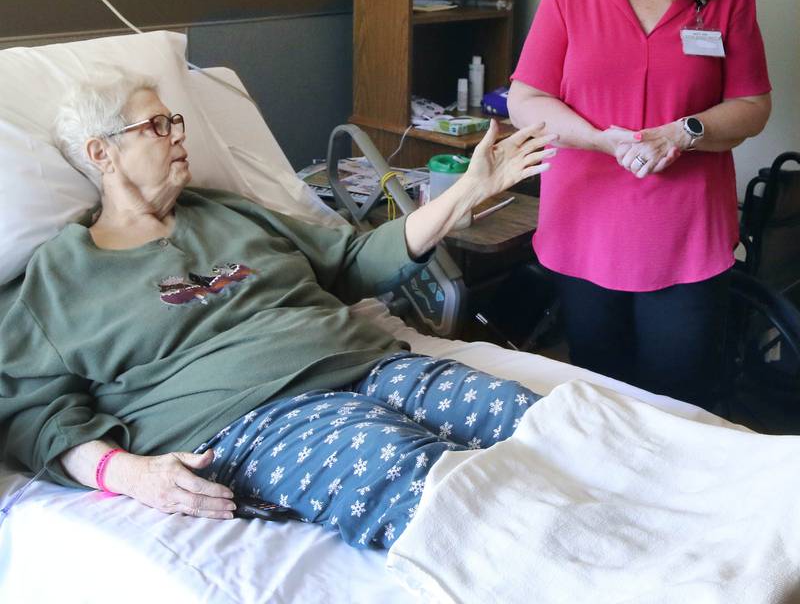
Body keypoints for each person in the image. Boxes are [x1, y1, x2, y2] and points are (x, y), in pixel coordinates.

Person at [0, 72, 556, 550]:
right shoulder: (60, 277)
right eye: (158, 125)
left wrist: (465, 192)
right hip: (257, 418)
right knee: (434, 487)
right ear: (102, 153)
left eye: (177, 121)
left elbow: (351, 262)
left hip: (370, 363)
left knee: (544, 425)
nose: (178, 136)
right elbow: (33, 415)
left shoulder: (226, 211)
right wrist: (127, 474)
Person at [508, 0, 771, 408]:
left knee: (683, 398)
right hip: (587, 225)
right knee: (602, 393)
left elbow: (753, 105)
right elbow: (525, 98)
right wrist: (600, 140)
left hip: (685, 234)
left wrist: (684, 132)